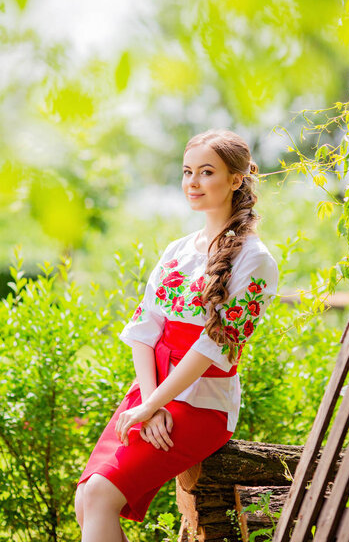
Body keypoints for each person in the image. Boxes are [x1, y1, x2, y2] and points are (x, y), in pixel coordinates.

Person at [74, 129, 279, 541]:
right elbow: (144, 330)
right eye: (188, 172)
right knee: (87, 499)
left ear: (236, 179)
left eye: (206, 172)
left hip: (201, 403)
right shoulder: (177, 249)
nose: (193, 183)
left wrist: (154, 404)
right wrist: (149, 403)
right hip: (151, 390)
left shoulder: (256, 261)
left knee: (99, 495)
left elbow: (211, 347)